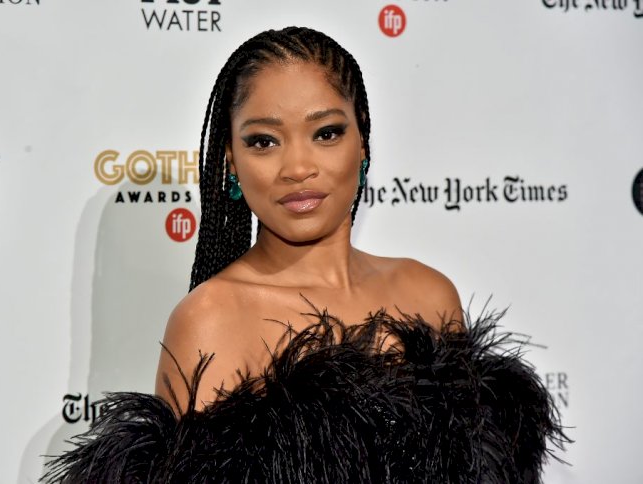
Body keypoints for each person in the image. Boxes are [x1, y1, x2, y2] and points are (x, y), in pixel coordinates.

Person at [43, 27, 568, 483]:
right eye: (264, 141)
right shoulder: (213, 319)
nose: (297, 166)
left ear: (362, 143)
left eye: (326, 133)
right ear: (230, 162)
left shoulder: (429, 295)